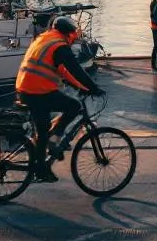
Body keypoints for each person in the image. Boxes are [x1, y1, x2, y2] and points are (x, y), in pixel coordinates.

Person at [15, 16, 104, 182]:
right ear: (68, 33)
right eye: (73, 33)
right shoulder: (60, 46)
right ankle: (49, 150)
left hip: (25, 88)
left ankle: (47, 148)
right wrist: (93, 88)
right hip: (37, 91)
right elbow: (76, 69)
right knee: (74, 106)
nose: (74, 36)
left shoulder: (45, 39)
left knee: (43, 128)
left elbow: (64, 72)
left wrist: (80, 86)